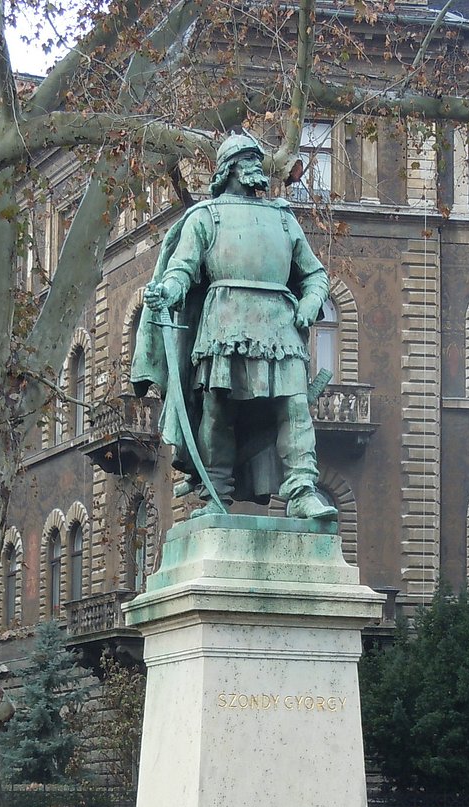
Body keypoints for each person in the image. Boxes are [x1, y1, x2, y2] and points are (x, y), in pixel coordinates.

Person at [131, 131, 338, 520]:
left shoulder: (282, 218)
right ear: (228, 169)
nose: (256, 166)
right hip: (225, 322)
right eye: (247, 159)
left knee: (294, 408)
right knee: (218, 410)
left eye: (258, 159)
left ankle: (302, 489)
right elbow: (183, 270)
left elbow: (315, 275)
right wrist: (168, 292)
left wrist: (311, 302)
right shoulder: (206, 217)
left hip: (280, 324)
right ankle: (216, 492)